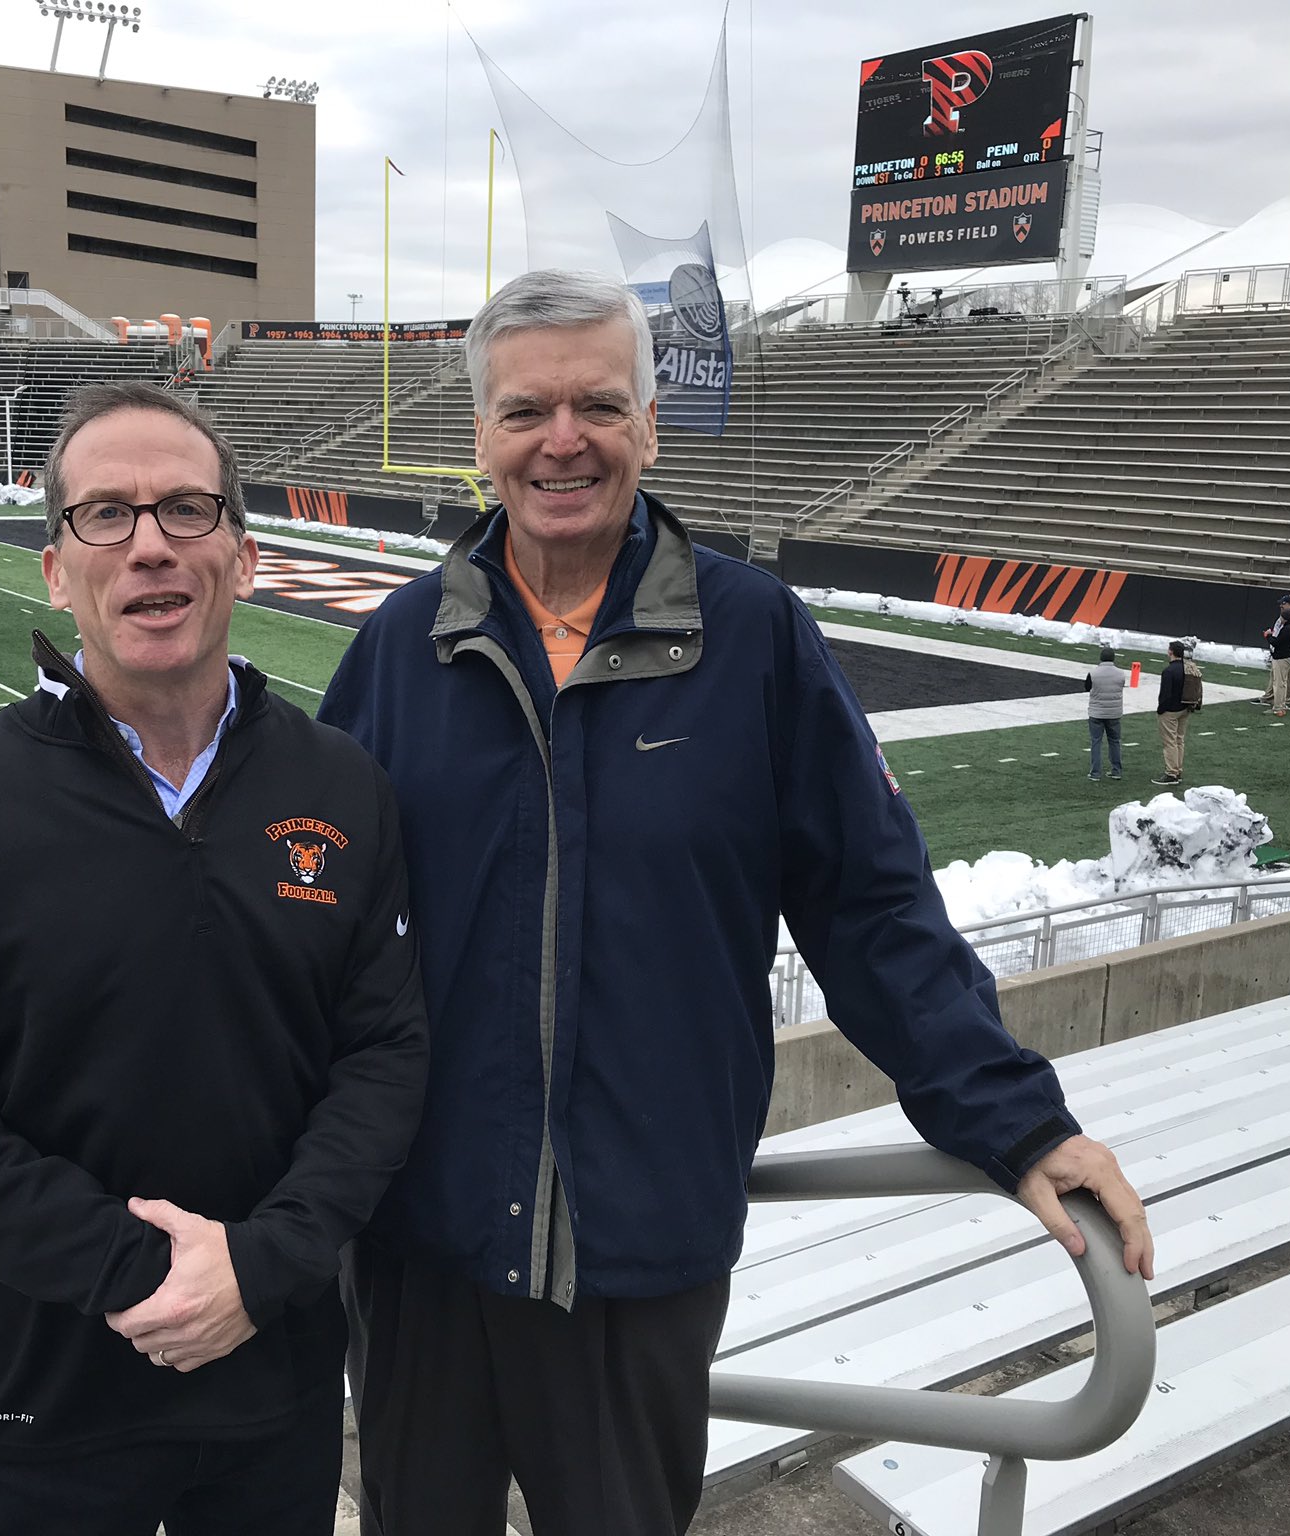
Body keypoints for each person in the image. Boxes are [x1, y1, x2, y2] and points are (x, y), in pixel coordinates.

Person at [317, 269, 1152, 1536]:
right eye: (524, 411)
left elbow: (869, 906)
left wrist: (1013, 1117)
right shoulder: (398, 646)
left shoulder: (752, 636)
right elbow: (313, 920)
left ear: (649, 426)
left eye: (598, 406)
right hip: (418, 1245)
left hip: (636, 1251)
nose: (561, 441)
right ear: (479, 436)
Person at [0, 381, 427, 1536]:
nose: (150, 543)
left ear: (243, 558)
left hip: (275, 1382)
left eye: (185, 509)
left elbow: (383, 1056)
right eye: (106, 514)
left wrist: (260, 1266)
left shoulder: (340, 786)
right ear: (56, 571)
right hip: (50, 1400)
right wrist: (134, 1270)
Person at [1152, 639, 1204, 786]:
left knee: (1169, 742)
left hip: (1170, 711)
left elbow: (1165, 694)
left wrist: (1161, 710)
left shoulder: (1169, 671)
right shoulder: (1188, 668)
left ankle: (1171, 773)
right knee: (1179, 740)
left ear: (1171, 652)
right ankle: (1178, 770)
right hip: (1185, 708)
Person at [1084, 644, 1127, 780]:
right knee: (1114, 741)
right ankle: (1116, 770)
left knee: (1096, 742)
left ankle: (1095, 773)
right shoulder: (1121, 674)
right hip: (1114, 713)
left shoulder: (1093, 673)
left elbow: (1087, 687)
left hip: (1096, 712)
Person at [1263, 593, 1290, 717]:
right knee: (1282, 680)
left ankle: (1280, 706)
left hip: (1282, 656)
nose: (1281, 606)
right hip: (1286, 654)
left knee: (1280, 681)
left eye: (1284, 604)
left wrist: (1268, 636)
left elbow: (1278, 642)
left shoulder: (1289, 627)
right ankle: (1279, 701)